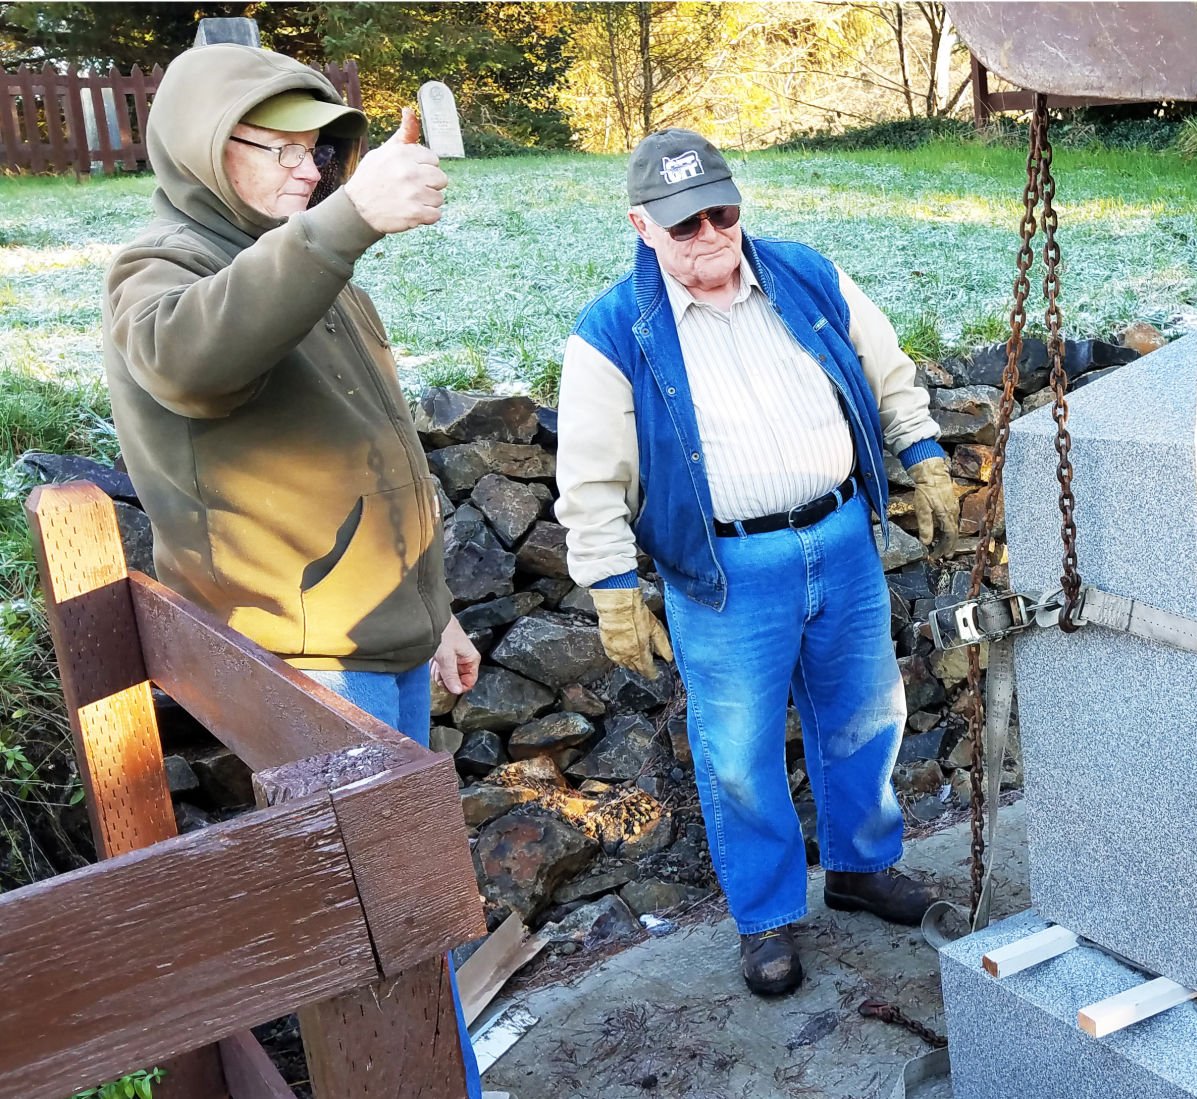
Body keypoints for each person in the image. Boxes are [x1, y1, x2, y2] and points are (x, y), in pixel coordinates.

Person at [101, 43, 482, 1094]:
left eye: (320, 149)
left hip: (381, 638)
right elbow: (193, 360)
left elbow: (377, 450)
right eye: (280, 149)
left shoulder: (306, 262)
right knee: (381, 935)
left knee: (409, 917)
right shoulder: (159, 267)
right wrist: (348, 220)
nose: (310, 170)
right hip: (309, 666)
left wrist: (434, 609)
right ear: (197, 146)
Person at [556, 129, 961, 997]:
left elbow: (884, 365)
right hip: (725, 568)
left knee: (865, 714)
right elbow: (590, 474)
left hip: (841, 534)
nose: (707, 235)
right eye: (682, 224)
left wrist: (920, 448)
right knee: (737, 755)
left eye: (720, 212)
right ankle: (768, 919)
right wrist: (612, 588)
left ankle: (861, 866)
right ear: (640, 224)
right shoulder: (612, 330)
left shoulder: (804, 273)